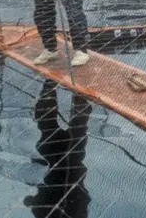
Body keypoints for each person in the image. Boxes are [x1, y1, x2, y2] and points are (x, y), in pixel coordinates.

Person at [24, 80, 92, 218]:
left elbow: (84, 201)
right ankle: (57, 87)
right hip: (62, 168)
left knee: (73, 128)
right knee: (48, 125)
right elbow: (35, 204)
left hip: (67, 169)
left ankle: (73, 91)